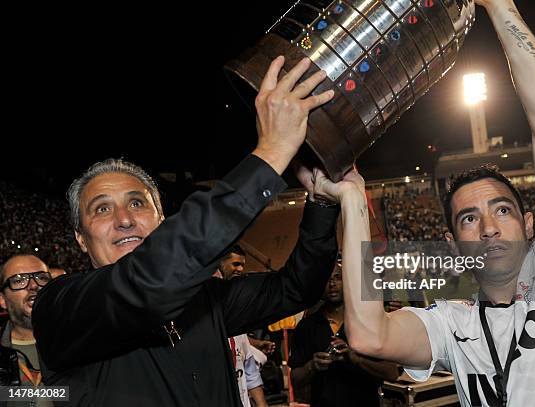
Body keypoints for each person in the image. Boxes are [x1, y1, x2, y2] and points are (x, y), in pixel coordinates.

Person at [336, 1, 535, 406]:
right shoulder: (453, 323)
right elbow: (368, 334)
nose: (489, 227)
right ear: (451, 243)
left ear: (530, 224)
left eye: (502, 210)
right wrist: (351, 199)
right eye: (469, 218)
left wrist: (500, 7)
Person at [32, 56, 342, 406]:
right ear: (80, 237)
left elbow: (297, 287)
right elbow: (149, 282)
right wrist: (269, 155)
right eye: (102, 209)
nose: (124, 219)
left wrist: (321, 204)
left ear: (162, 218)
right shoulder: (60, 308)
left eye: (137, 203)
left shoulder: (205, 302)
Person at [289, 261, 399, 407]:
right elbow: (295, 380)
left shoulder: (368, 322)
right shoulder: (306, 327)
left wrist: (357, 359)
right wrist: (312, 366)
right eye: (326, 279)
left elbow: (392, 373)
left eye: (337, 277)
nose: (332, 284)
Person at [213, 245, 268, 407]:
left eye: (243, 265)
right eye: (235, 264)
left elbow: (250, 370)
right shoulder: (207, 313)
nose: (241, 269)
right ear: (220, 264)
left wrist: (262, 404)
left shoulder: (237, 315)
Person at [0, 254, 53, 407]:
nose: (33, 285)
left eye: (42, 278)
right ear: (2, 300)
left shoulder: (83, 345)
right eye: (19, 280)